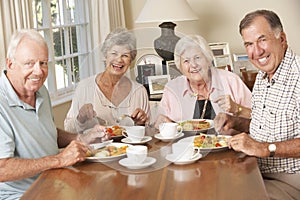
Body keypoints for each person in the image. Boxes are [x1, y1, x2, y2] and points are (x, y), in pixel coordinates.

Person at [0, 29, 110, 199]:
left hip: (55, 183)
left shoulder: (40, 90)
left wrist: (81, 138)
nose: (38, 72)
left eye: (43, 63)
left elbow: (47, 132)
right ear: (10, 64)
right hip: (22, 195)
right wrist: (59, 159)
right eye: (29, 63)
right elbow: (2, 168)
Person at [214, 10, 300, 199]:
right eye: (249, 44)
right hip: (257, 169)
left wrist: (265, 148)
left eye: (262, 40)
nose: (257, 51)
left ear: (282, 39)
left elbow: (266, 144)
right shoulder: (262, 75)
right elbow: (269, 126)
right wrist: (236, 122)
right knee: (210, 187)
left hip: (290, 178)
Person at [155, 34, 252, 128]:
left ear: (208, 59)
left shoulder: (231, 80)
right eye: (186, 61)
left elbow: (260, 118)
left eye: (197, 58)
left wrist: (237, 108)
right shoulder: (172, 89)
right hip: (183, 143)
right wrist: (160, 124)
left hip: (227, 143)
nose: (193, 65)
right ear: (180, 67)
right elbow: (159, 125)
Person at [64, 28, 150, 133]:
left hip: (132, 149)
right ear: (105, 55)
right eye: (114, 53)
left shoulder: (139, 92)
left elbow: (148, 135)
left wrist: (140, 124)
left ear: (131, 60)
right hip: (95, 149)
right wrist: (80, 118)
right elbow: (68, 130)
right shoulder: (85, 87)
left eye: (125, 55)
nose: (119, 60)